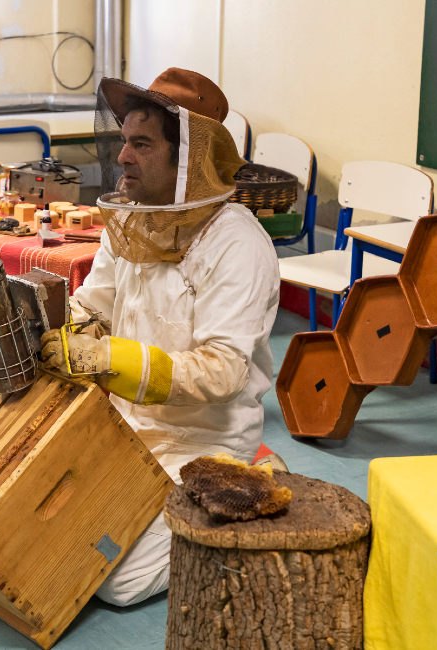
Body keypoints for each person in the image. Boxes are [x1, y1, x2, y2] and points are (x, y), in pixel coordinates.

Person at [38, 68, 281, 606]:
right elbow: (93, 309)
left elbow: (223, 371)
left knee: (116, 582)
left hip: (206, 444)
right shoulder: (133, 220)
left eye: (141, 144)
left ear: (189, 158)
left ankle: (247, 486)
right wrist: (51, 331)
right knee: (39, 527)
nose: (123, 157)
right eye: (124, 141)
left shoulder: (238, 244)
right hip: (125, 428)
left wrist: (103, 359)